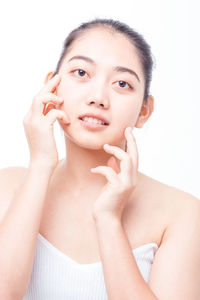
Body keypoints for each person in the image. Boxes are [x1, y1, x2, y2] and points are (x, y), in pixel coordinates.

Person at [0, 18, 200, 300]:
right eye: (81, 72)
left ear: (145, 110)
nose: (98, 97)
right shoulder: (8, 187)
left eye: (122, 83)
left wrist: (109, 221)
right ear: (52, 87)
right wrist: (40, 165)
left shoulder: (182, 214)